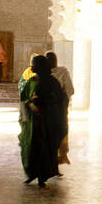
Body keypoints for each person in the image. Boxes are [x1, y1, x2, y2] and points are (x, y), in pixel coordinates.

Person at [18, 54, 67, 187]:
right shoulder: (31, 81)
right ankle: (32, 173)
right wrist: (31, 104)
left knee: (44, 149)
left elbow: (59, 101)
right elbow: (23, 98)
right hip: (33, 123)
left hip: (47, 123)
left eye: (34, 64)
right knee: (30, 148)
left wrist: (43, 104)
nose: (32, 66)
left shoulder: (52, 82)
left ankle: (42, 176)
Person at [45, 50, 74, 168]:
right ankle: (50, 162)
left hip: (59, 110)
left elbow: (70, 90)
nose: (50, 61)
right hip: (47, 111)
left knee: (60, 133)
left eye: (52, 59)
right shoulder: (42, 73)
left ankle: (59, 158)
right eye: (48, 59)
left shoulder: (62, 72)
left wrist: (63, 102)